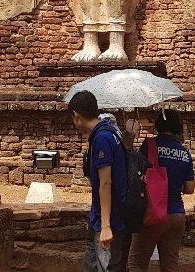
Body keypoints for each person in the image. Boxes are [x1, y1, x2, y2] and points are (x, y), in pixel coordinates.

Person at [68, 90, 131, 272]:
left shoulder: (102, 138)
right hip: (108, 216)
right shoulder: (111, 132)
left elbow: (106, 183)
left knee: (105, 266)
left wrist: (105, 226)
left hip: (109, 219)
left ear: (77, 115)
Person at [127, 110, 194, 272]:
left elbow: (132, 168)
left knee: (137, 263)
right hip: (177, 214)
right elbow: (189, 189)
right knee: (170, 265)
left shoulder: (150, 146)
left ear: (158, 125)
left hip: (153, 212)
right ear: (178, 127)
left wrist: (129, 138)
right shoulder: (184, 153)